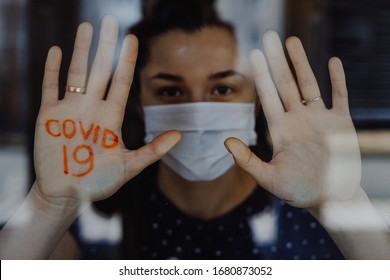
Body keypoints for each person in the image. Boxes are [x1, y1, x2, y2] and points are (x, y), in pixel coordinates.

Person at [0, 0, 389, 260]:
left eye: (222, 88)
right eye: (170, 90)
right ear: (139, 102)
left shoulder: (318, 221)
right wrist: (49, 208)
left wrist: (341, 204)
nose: (198, 109)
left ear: (256, 100)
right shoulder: (92, 227)